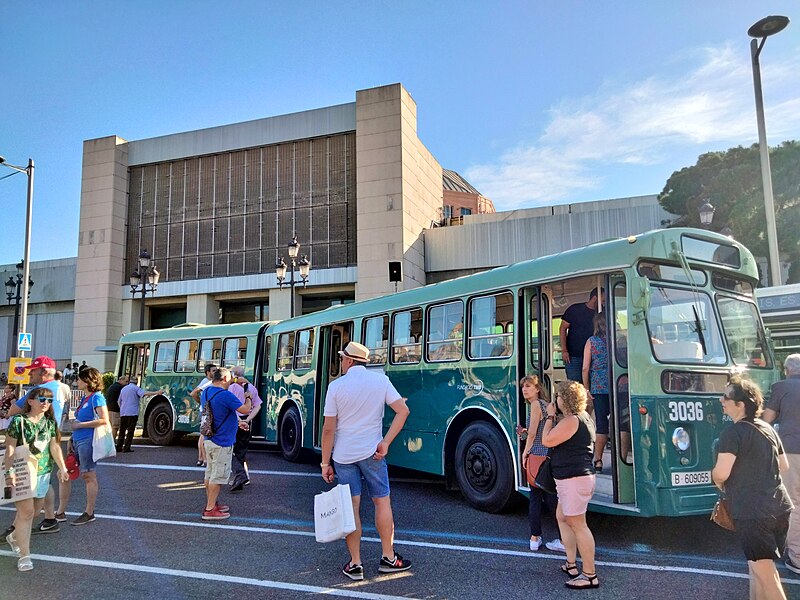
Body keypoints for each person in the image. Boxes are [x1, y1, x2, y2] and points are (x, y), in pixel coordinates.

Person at [321, 341, 412, 581]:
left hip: (343, 456)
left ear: (349, 361)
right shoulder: (380, 380)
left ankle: (356, 563)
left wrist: (324, 463)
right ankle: (388, 557)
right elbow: (403, 411)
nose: (341, 362)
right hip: (373, 453)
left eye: (342, 358)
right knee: (382, 502)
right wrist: (386, 443)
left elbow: (328, 429)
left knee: (352, 509)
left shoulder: (336, 386)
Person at [712, 376, 793, 600]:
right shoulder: (767, 428)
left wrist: (715, 477)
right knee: (757, 569)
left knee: (766, 575)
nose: (721, 400)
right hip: (779, 507)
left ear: (740, 405)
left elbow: (721, 473)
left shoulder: (733, 433)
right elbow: (783, 465)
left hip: (753, 511)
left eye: (726, 397)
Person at [3, 387, 69, 572]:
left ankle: (14, 536)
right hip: (23, 472)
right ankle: (24, 556)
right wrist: (9, 473)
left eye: (49, 400)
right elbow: (9, 448)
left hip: (43, 473)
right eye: (42, 399)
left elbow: (54, 447)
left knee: (35, 512)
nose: (46, 403)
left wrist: (62, 468)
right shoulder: (19, 421)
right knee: (26, 512)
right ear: (30, 401)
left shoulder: (49, 422)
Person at [542, 381, 599, 590]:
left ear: (564, 399)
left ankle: (590, 575)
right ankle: (571, 564)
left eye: (557, 397)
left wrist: (549, 416)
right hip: (574, 479)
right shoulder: (583, 418)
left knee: (578, 525)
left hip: (573, 480)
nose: (555, 401)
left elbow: (547, 440)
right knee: (562, 517)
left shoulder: (572, 421)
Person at [7, 356, 69, 534]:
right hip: (50, 437)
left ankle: (15, 529)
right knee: (44, 483)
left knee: (27, 491)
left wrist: (14, 404)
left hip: (32, 441)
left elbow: (13, 411)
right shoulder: (62, 388)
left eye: (33, 371)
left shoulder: (39, 391)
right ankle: (50, 519)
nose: (29, 374)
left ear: (44, 372)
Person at [56, 367, 110, 526]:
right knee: (64, 473)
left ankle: (89, 512)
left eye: (79, 379)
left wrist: (80, 426)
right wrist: (72, 438)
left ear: (88, 381)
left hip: (88, 441)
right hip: (79, 440)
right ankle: (60, 511)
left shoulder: (97, 398)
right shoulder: (85, 398)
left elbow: (104, 419)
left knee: (88, 476)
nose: (76, 381)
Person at [517, 374, 563, 553]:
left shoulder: (536, 405)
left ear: (537, 389)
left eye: (528, 386)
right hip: (548, 454)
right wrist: (524, 433)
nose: (524, 389)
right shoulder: (547, 406)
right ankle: (562, 535)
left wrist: (525, 452)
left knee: (536, 497)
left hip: (537, 455)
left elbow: (533, 434)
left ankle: (535, 538)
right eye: (523, 387)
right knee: (551, 497)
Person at [764, 354, 800, 574]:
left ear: (787, 369)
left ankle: (797, 557)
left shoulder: (780, 387)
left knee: (794, 503)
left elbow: (767, 419)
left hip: (793, 451)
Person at [200, 367, 251, 520]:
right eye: (230, 379)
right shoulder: (226, 395)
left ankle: (212, 503)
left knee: (210, 473)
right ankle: (210, 510)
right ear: (223, 379)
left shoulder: (206, 392)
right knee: (219, 476)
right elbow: (244, 409)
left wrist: (237, 422)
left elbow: (219, 413)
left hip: (209, 439)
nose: (231, 382)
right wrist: (247, 396)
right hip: (222, 441)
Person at [582, 313, 609, 474]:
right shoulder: (618, 340)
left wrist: (586, 388)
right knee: (622, 424)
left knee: (601, 424)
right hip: (619, 385)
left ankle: (598, 460)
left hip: (599, 387)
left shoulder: (592, 342)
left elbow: (585, 367)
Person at [228, 366, 262, 492]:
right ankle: (244, 477)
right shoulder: (251, 387)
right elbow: (257, 405)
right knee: (241, 450)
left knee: (231, 450)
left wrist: (238, 420)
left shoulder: (231, 387)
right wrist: (247, 420)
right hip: (247, 420)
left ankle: (239, 475)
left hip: (234, 420)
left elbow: (230, 407)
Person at [559, 288, 603, 383]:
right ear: (595, 298)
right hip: (573, 357)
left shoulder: (601, 313)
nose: (603, 304)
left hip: (594, 357)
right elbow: (562, 329)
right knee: (575, 387)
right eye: (602, 301)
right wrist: (564, 350)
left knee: (593, 386)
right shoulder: (574, 309)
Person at [116, 376, 156, 452]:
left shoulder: (123, 389)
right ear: (136, 382)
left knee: (122, 430)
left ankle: (119, 447)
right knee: (130, 431)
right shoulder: (136, 388)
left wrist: (122, 408)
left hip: (123, 413)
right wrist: (156, 393)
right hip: (132, 412)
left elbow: (119, 401)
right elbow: (144, 394)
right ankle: (126, 447)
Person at [190, 363, 217, 467]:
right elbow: (193, 393)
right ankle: (204, 459)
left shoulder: (206, 382)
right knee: (204, 435)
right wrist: (201, 403)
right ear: (207, 372)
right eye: (213, 371)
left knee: (203, 435)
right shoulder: (207, 382)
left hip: (205, 411)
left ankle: (200, 458)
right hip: (206, 412)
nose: (215, 372)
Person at [105, 374, 127, 442]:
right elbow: (120, 400)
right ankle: (112, 442)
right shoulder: (119, 388)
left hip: (109, 409)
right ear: (121, 380)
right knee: (115, 427)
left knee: (110, 426)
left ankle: (109, 442)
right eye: (126, 381)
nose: (127, 383)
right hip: (115, 410)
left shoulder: (112, 386)